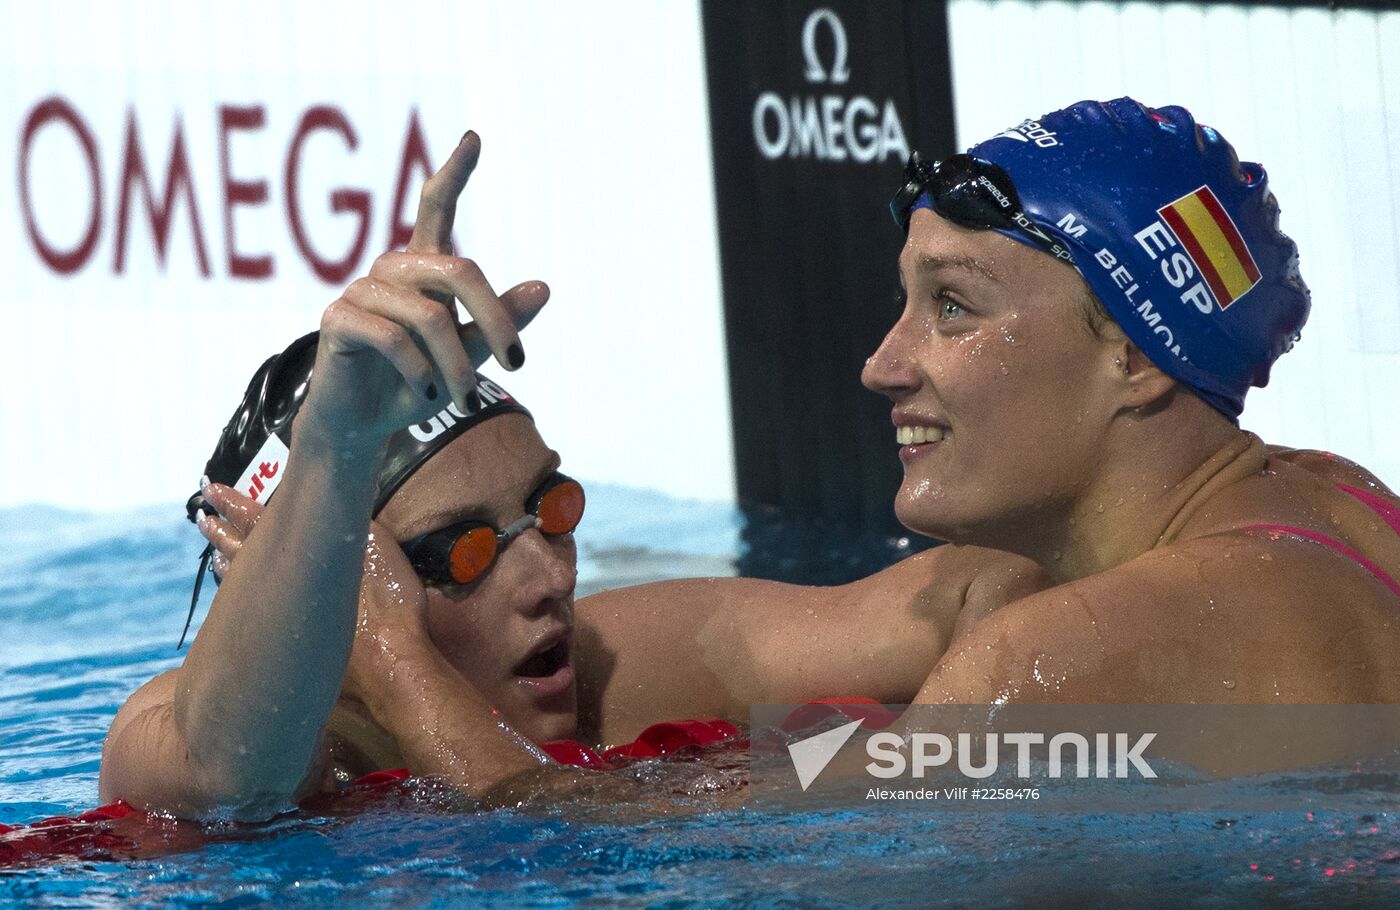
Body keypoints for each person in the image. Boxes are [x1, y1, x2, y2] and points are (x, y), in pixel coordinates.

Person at [103, 99, 1400, 819]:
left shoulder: (1055, 660)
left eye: (950, 304)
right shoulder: (1333, 501)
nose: (879, 362)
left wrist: (412, 676)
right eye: (463, 550)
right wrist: (333, 460)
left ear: (1134, 352)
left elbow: (800, 842)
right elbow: (221, 764)